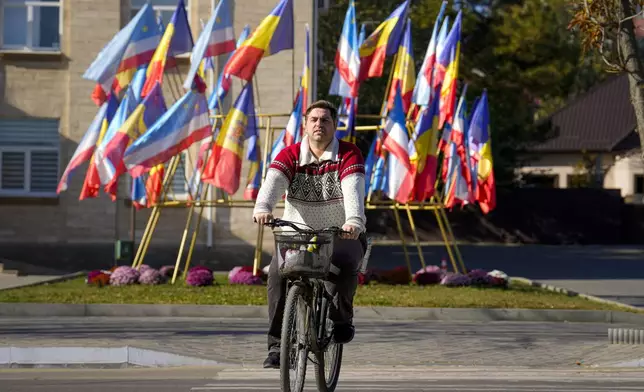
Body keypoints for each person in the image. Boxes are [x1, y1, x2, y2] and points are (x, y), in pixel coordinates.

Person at [253, 100, 367, 369]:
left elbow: (353, 190)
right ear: (305, 125)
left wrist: (353, 221)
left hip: (341, 233)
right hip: (298, 235)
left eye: (325, 120)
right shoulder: (290, 155)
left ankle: (341, 320)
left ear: (334, 125)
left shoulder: (348, 154)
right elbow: (272, 184)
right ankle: (277, 347)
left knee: (347, 265)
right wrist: (262, 208)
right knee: (277, 275)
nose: (319, 124)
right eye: (314, 119)